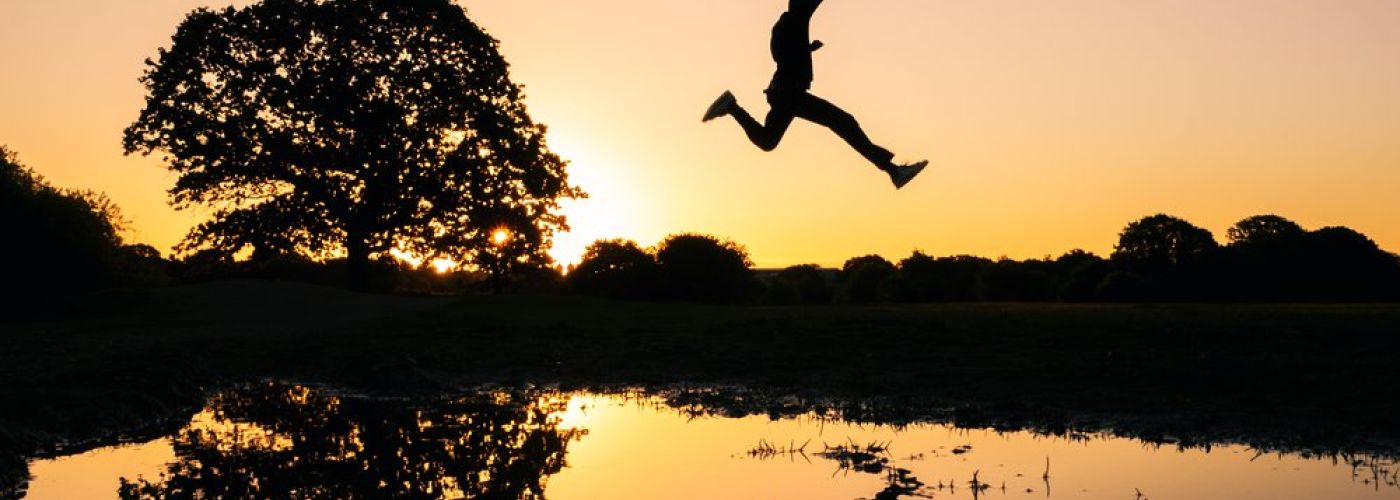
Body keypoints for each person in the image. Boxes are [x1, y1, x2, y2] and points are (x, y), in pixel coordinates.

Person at [703, 0, 927, 189]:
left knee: (768, 140)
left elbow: (780, 53)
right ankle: (894, 171)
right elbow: (786, 46)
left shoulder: (786, 25)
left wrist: (806, 49)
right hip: (789, 93)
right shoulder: (795, 21)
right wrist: (803, 50)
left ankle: (731, 106)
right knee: (843, 121)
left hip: (784, 92)